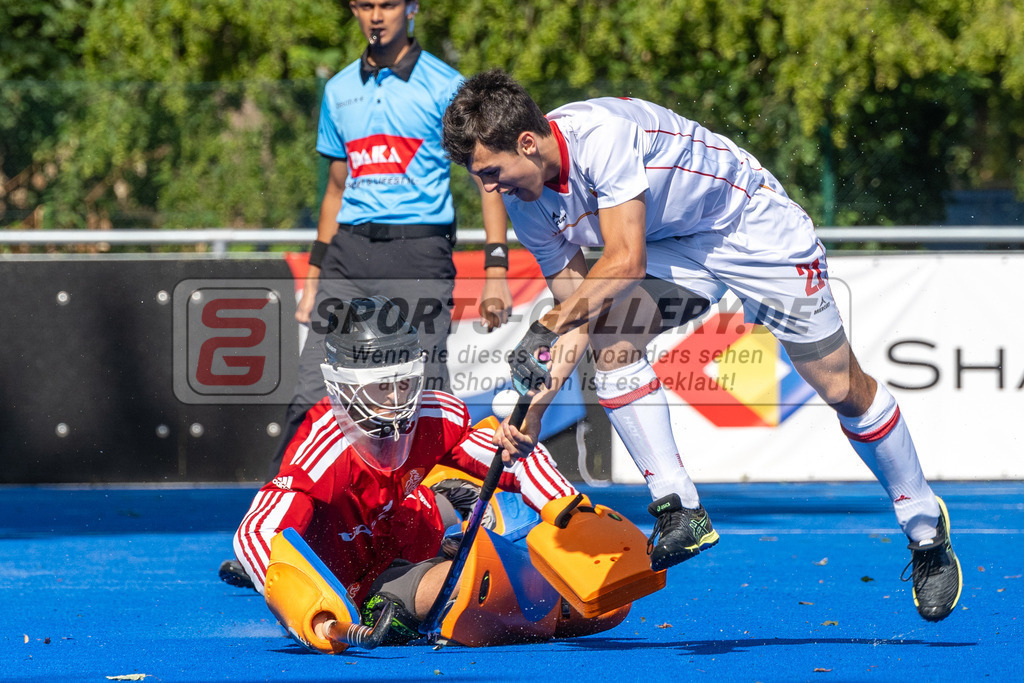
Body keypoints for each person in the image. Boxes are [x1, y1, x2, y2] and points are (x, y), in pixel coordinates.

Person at [440, 68, 963, 623]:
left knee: (840, 387)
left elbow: (623, 262)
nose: (490, 190)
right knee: (612, 339)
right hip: (673, 247)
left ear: (527, 142)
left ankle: (924, 526)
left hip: (749, 226)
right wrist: (533, 414)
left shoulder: (602, 136)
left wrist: (548, 324)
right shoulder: (526, 203)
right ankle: (679, 508)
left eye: (492, 173)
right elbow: (577, 315)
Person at [230, 296, 582, 647]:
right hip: (360, 584)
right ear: (344, 385)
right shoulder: (318, 455)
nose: (397, 399)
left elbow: (511, 459)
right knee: (492, 588)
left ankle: (462, 505)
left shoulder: (433, 414)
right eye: (382, 385)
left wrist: (572, 511)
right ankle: (470, 526)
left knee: (577, 587)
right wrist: (302, 601)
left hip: (411, 526)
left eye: (404, 383)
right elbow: (255, 532)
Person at [274, 0, 514, 477]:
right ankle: (285, 510)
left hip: (419, 254)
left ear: (412, 8)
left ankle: (439, 510)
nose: (377, 16)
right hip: (347, 256)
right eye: (366, 5)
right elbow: (335, 190)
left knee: (425, 392)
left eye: (388, 4)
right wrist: (315, 276)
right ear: (354, 10)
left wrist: (496, 270)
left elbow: (486, 178)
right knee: (312, 392)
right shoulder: (338, 89)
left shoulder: (447, 85)